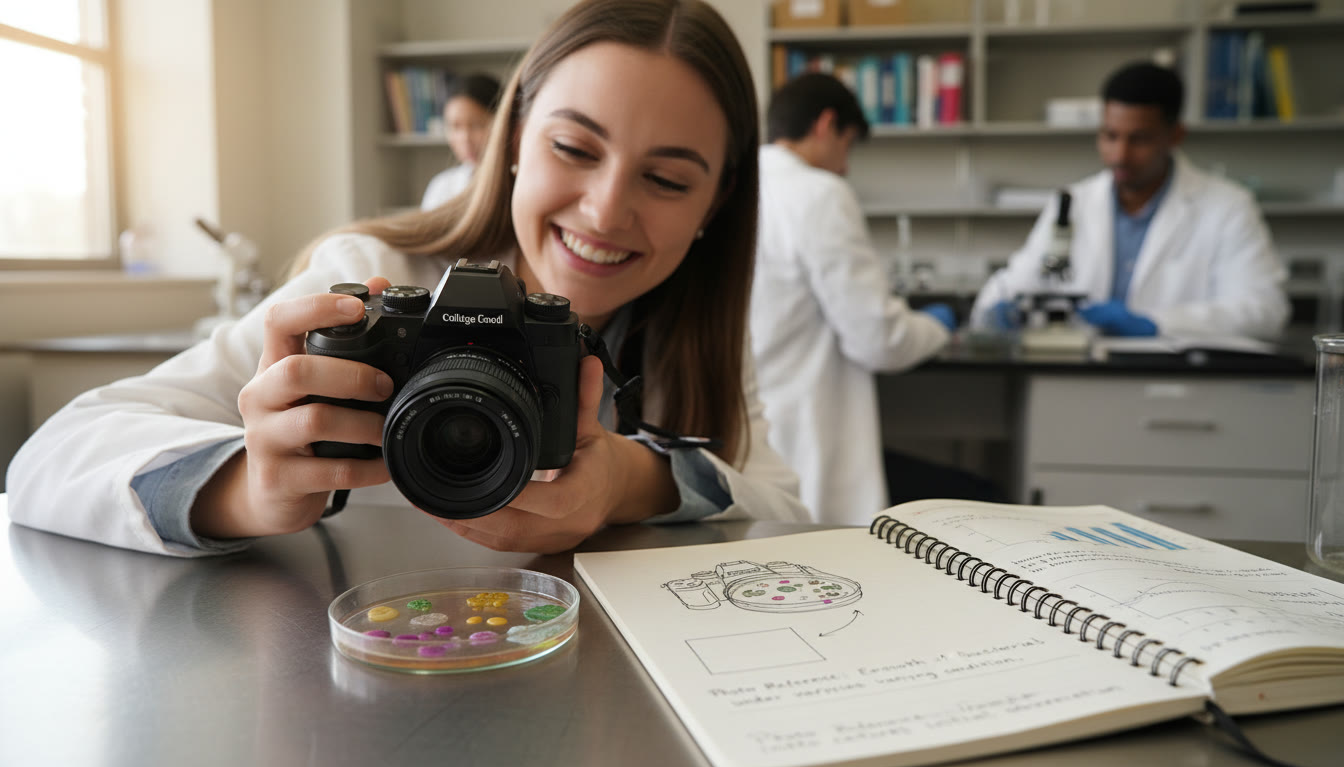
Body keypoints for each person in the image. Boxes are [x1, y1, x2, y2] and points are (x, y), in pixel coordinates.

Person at [6, 0, 811, 557]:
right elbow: (52, 460)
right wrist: (249, 488)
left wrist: (632, 480)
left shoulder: (691, 333)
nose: (605, 212)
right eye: (574, 149)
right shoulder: (372, 284)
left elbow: (789, 514)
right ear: (517, 138)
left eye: (667, 180)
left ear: (718, 201)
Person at [751, 72, 957, 525]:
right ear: (826, 125)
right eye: (847, 147)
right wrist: (939, 326)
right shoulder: (819, 192)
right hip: (807, 436)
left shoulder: (733, 186)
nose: (845, 166)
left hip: (749, 435)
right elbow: (878, 340)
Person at [969, 61, 1289, 341]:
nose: (1120, 155)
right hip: (1079, 376)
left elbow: (1265, 311)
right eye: (1110, 136)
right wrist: (993, 311)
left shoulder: (1228, 207)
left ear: (1175, 135)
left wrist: (1155, 323)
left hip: (1180, 380)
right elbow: (1012, 285)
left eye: (1139, 139)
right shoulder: (1073, 202)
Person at [421, 73, 501, 210]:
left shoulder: (521, 184)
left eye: (477, 125)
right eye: (455, 126)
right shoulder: (442, 186)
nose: (465, 139)